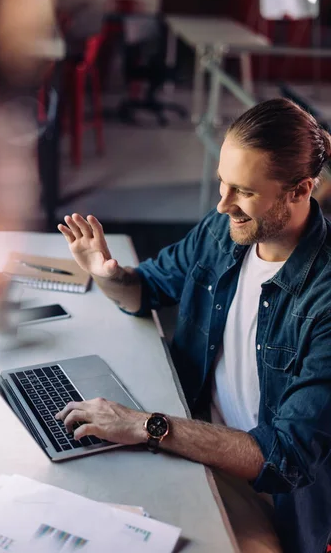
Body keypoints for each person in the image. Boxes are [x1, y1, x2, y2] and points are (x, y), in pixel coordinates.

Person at [56, 98, 331, 553]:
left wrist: (147, 427)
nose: (222, 205)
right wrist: (108, 275)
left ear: (301, 190)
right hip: (193, 441)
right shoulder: (225, 230)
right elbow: (146, 290)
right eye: (223, 183)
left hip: (270, 497)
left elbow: (287, 457)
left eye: (243, 191)